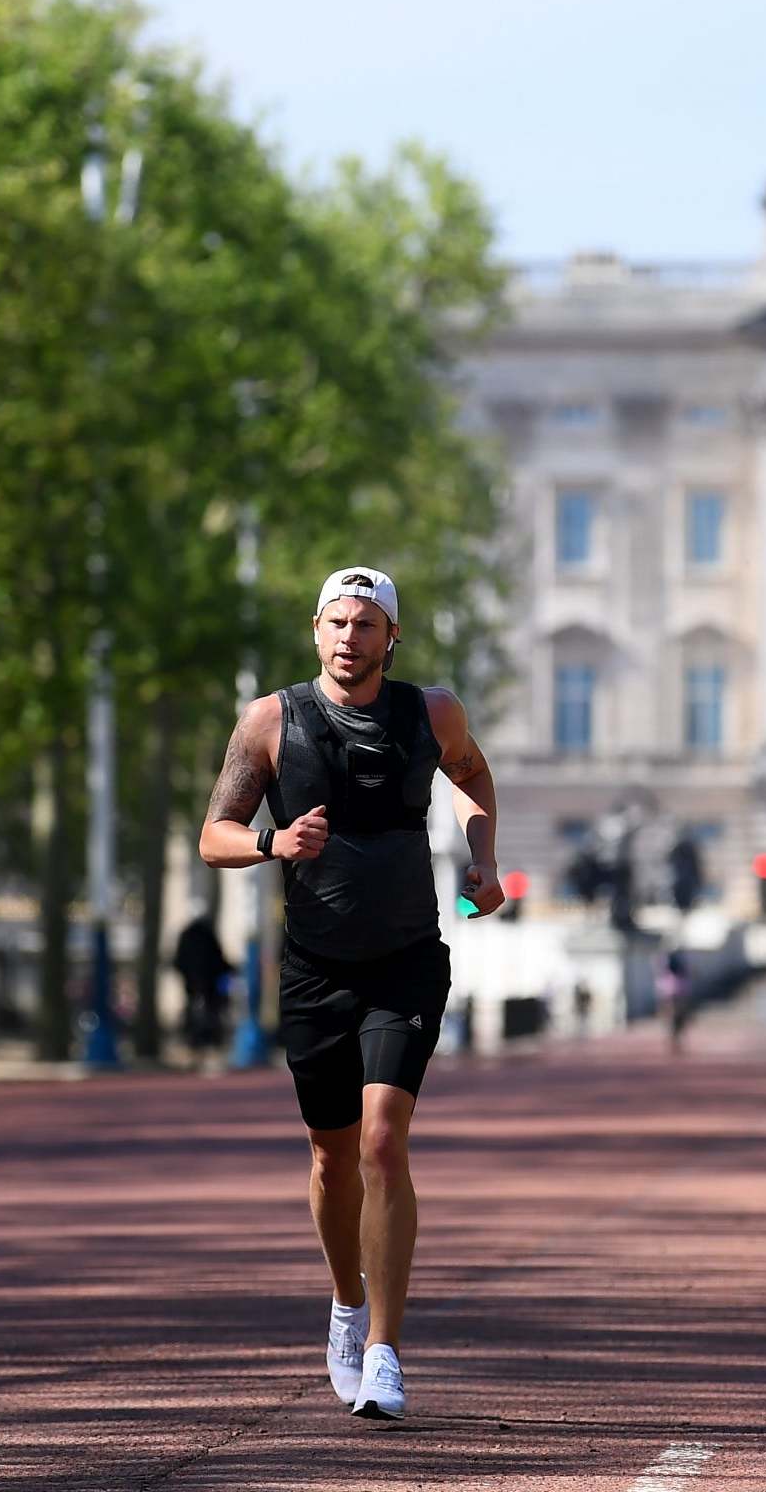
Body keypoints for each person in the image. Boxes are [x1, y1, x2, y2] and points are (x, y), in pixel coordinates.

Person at [199, 566, 502, 1423]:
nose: (348, 637)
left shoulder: (430, 714)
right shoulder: (269, 720)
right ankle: (345, 1303)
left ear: (391, 638)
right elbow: (211, 835)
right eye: (336, 622)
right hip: (315, 969)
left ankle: (385, 1353)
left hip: (406, 958)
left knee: (381, 1143)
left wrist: (483, 860)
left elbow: (473, 779)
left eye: (366, 625)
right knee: (332, 1157)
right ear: (315, 629)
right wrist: (274, 842)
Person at [172, 913, 234, 1054]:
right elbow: (218, 958)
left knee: (195, 1009)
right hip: (207, 982)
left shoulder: (187, 935)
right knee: (209, 1011)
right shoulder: (207, 935)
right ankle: (205, 1039)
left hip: (193, 982)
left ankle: (194, 1039)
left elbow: (179, 960)